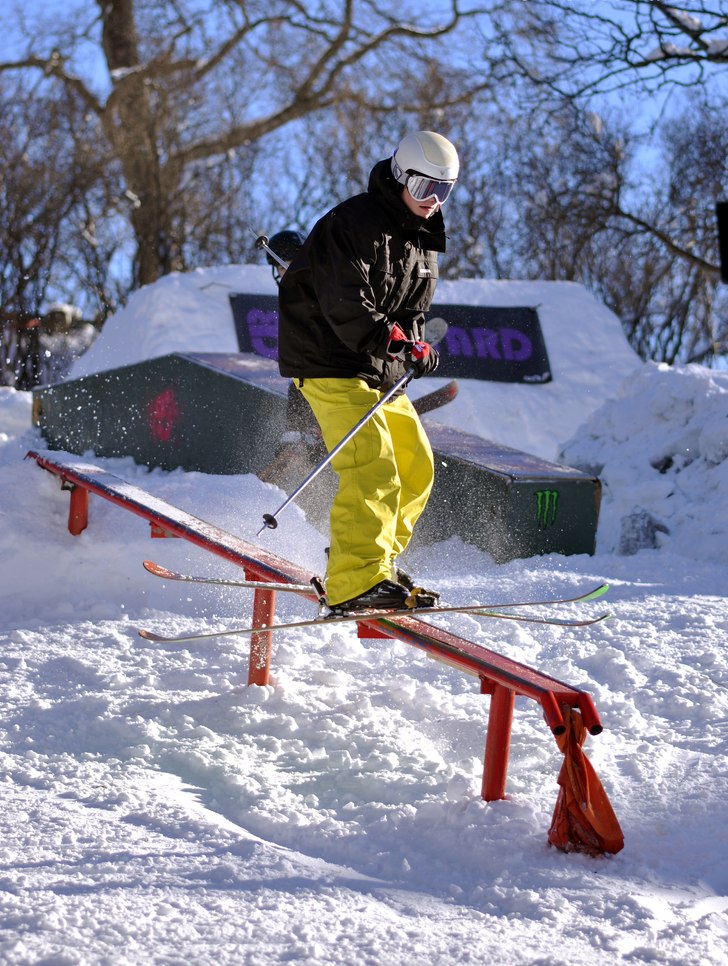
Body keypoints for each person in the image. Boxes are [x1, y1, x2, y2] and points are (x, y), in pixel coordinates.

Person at [276, 130, 459, 614]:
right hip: (328, 358)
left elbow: (410, 312)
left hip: (377, 365)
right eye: (425, 190)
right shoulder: (353, 223)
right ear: (401, 176)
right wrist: (393, 339)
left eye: (444, 192)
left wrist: (416, 346)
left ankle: (373, 565)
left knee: (415, 466)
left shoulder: (424, 242)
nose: (433, 202)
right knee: (373, 464)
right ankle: (353, 580)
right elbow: (344, 301)